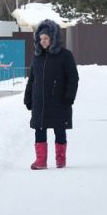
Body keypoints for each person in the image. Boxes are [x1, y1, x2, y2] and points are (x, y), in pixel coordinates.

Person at [24, 19, 79, 170]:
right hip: (40, 101)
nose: (43, 42)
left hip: (59, 101)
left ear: (53, 39)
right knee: (39, 130)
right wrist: (28, 97)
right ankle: (40, 160)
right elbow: (32, 79)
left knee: (59, 129)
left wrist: (69, 97)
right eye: (41, 39)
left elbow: (73, 78)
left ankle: (60, 159)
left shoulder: (65, 55)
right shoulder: (37, 56)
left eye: (46, 38)